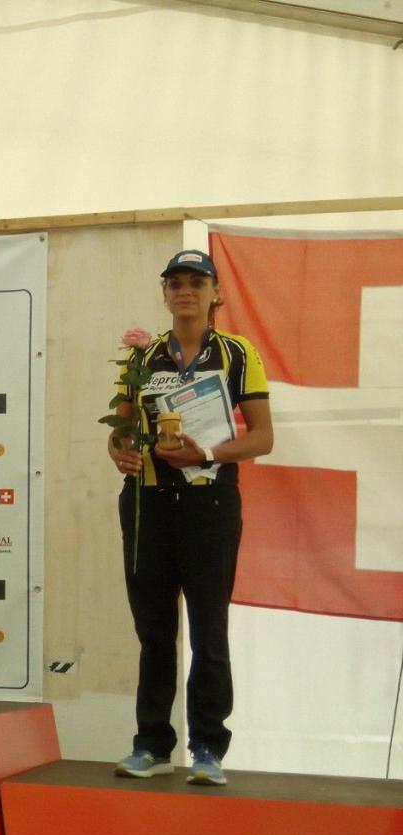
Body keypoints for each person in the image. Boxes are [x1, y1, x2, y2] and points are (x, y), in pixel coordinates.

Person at [108, 249, 273, 786]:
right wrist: (121, 453)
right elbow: (120, 430)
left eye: (196, 283)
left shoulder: (238, 353)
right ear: (164, 294)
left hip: (210, 503)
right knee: (154, 631)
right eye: (175, 283)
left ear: (215, 293)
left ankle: (207, 748)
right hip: (148, 503)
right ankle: (152, 744)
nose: (185, 291)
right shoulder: (141, 356)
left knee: (209, 629)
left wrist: (206, 454)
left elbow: (263, 438)